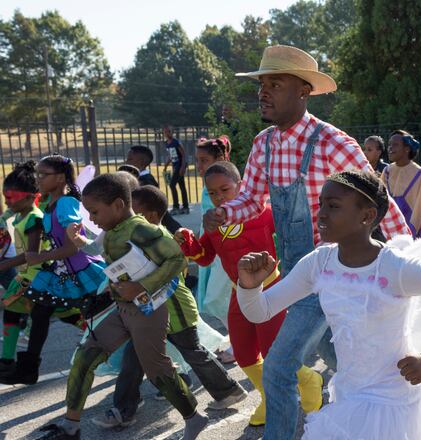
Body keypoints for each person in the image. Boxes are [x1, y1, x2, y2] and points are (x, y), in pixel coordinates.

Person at [203, 45, 411, 440]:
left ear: (303, 91)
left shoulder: (335, 144)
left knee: (280, 367)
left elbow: (379, 201)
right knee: (340, 358)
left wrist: (410, 258)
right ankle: (386, 407)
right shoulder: (264, 143)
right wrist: (225, 213)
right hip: (299, 273)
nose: (263, 93)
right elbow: (251, 200)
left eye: (275, 84)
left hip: (335, 271)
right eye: (262, 84)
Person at [235, 170, 421, 439]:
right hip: (348, 396)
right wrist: (249, 285)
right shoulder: (319, 262)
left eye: (333, 206)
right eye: (321, 204)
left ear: (366, 216)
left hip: (392, 404)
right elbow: (260, 311)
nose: (321, 214)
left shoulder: (395, 267)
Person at [38, 174, 207, 440]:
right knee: (85, 356)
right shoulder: (113, 229)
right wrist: (78, 239)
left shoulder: (142, 229)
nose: (91, 218)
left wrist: (141, 286)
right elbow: (97, 246)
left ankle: (194, 418)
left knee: (158, 372)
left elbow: (176, 259)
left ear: (117, 205)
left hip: (148, 312)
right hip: (122, 310)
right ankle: (70, 427)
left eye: (94, 212)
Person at [71, 184, 247, 430]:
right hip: (143, 312)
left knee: (192, 352)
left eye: (137, 211)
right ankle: (124, 409)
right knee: (137, 360)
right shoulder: (122, 233)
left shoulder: (153, 237)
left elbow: (174, 270)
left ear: (150, 216)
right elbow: (103, 251)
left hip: (173, 311)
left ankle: (225, 391)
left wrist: (140, 286)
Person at [175, 162, 323, 426]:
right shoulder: (212, 221)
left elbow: (297, 238)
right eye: (213, 193)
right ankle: (269, 398)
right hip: (239, 292)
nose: (220, 197)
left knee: (273, 352)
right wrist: (187, 243)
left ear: (241, 186)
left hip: (272, 288)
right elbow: (205, 257)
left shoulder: (264, 213)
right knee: (243, 355)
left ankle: (310, 380)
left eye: (225, 189)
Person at [2, 155, 107, 386]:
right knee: (41, 313)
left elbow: (71, 247)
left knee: (106, 317)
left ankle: (143, 355)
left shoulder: (65, 204)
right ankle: (27, 370)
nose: (38, 179)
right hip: (62, 272)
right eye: (37, 174)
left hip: (84, 272)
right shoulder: (48, 204)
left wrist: (40, 256)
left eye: (43, 175)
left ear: (60, 178)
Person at [193, 136, 235, 363]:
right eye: (197, 160)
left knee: (219, 298)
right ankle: (237, 336)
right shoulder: (208, 184)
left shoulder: (225, 182)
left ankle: (241, 342)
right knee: (216, 298)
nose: (199, 166)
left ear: (220, 158)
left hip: (226, 248)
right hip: (212, 247)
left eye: (204, 160)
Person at [163, 125, 189, 215]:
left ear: (172, 132)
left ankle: (176, 207)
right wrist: (166, 165)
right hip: (175, 166)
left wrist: (182, 167)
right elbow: (171, 155)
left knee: (172, 185)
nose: (167, 133)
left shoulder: (176, 142)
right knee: (182, 185)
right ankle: (185, 207)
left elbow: (183, 155)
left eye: (169, 131)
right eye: (165, 132)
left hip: (180, 166)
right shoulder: (167, 143)